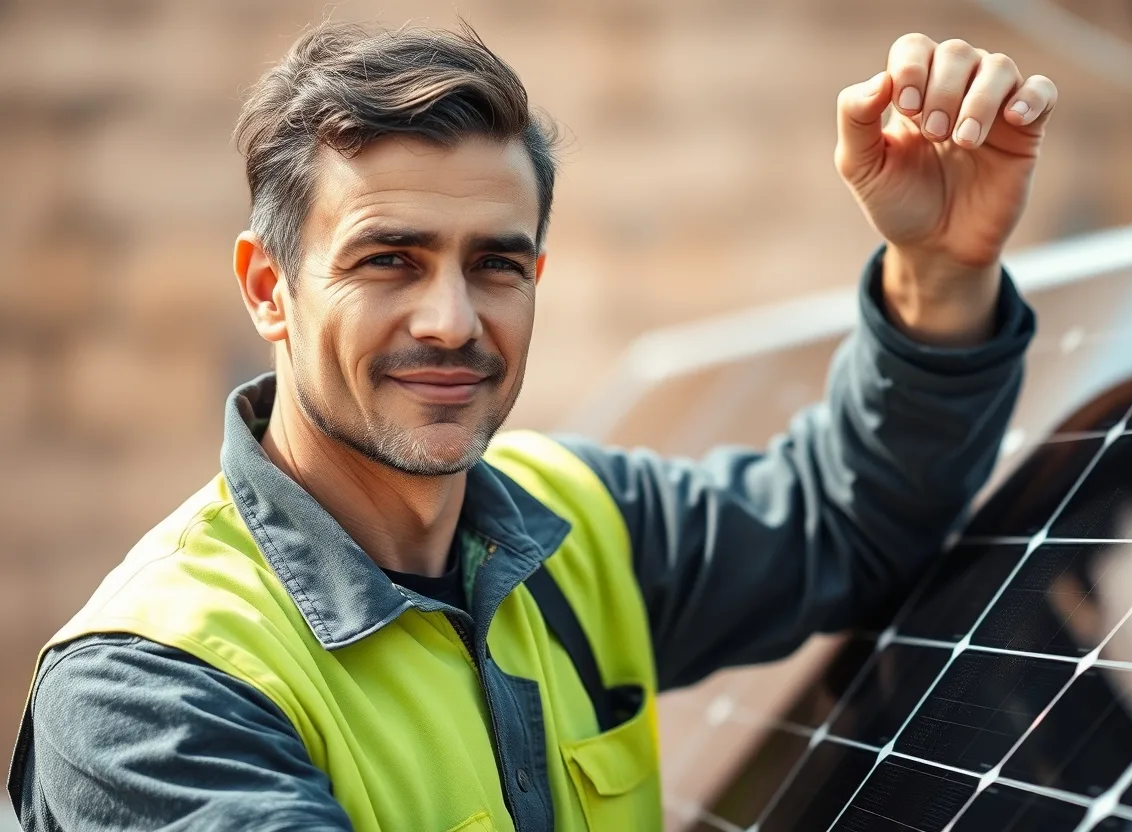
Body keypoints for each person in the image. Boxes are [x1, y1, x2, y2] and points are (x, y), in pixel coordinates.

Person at [7, 22, 1048, 832]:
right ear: (269, 288)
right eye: (389, 260)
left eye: (495, 264)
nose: (452, 322)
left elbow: (846, 520)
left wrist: (941, 266)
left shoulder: (576, 525)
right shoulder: (150, 692)